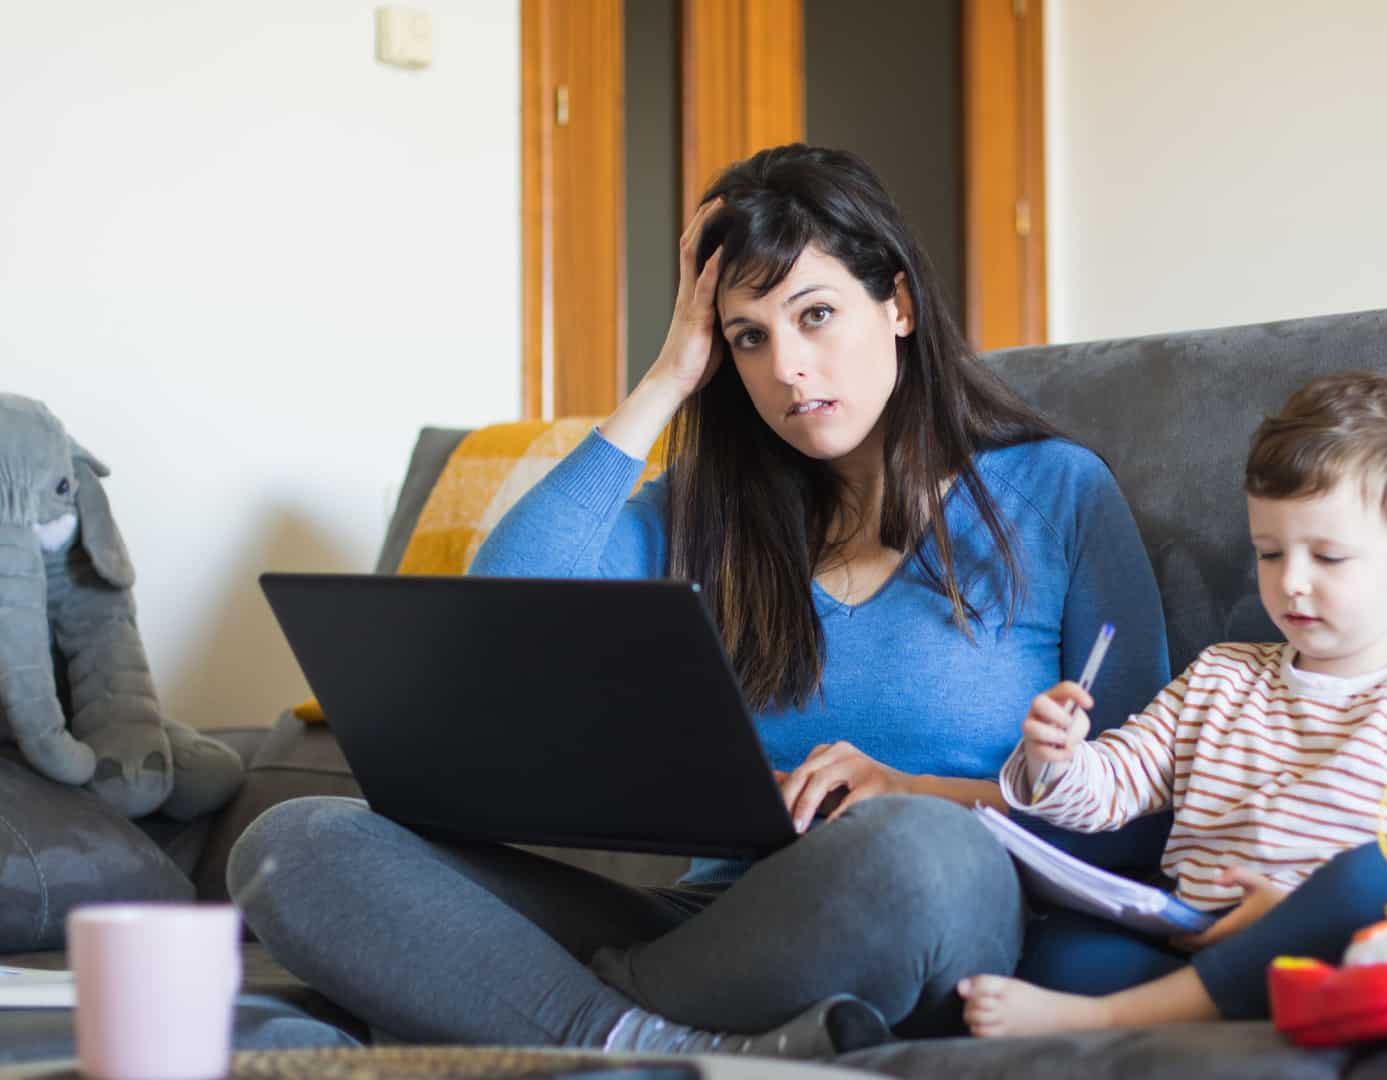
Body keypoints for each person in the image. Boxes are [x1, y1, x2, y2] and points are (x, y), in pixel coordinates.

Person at [228, 143, 1171, 1055]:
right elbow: (511, 608)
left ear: (899, 305)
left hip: (922, 902)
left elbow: (1142, 814)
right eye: (747, 338)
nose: (786, 369)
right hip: (706, 923)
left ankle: (539, 1013)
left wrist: (914, 792)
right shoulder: (704, 516)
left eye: (815, 316)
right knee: (293, 843)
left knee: (914, 854)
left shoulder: (1056, 494)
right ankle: (643, 1042)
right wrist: (669, 374)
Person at [959, 370, 1387, 1035]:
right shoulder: (1221, 676)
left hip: (1338, 954)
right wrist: (1054, 758)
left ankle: (1116, 1019)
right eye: (1270, 553)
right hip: (1190, 948)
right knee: (1059, 952)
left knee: (1380, 879)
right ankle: (1170, 1009)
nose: (1292, 583)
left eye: (1329, 557)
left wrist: (1295, 915)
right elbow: (1110, 790)